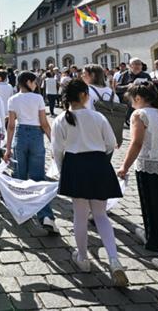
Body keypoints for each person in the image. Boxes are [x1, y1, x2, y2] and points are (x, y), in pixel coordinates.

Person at [52, 78, 127, 286]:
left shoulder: (61, 119)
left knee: (80, 215)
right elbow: (111, 144)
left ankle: (83, 258)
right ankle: (114, 260)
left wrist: (63, 171)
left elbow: (57, 150)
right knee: (101, 215)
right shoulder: (97, 116)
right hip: (98, 163)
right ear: (85, 95)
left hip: (74, 165)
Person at [116, 82, 158, 278]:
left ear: (138, 98)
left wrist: (124, 167)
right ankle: (151, 236)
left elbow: (136, 143)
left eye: (131, 100)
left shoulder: (140, 114)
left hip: (150, 167)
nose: (131, 104)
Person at [3, 71, 59, 235]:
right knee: (38, 178)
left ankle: (22, 210)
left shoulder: (13, 99)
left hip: (20, 135)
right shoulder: (38, 98)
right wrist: (53, 144)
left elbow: (11, 126)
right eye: (35, 82)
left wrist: (8, 148)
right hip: (36, 136)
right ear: (28, 82)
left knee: (19, 176)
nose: (36, 84)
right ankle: (46, 216)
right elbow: (44, 124)